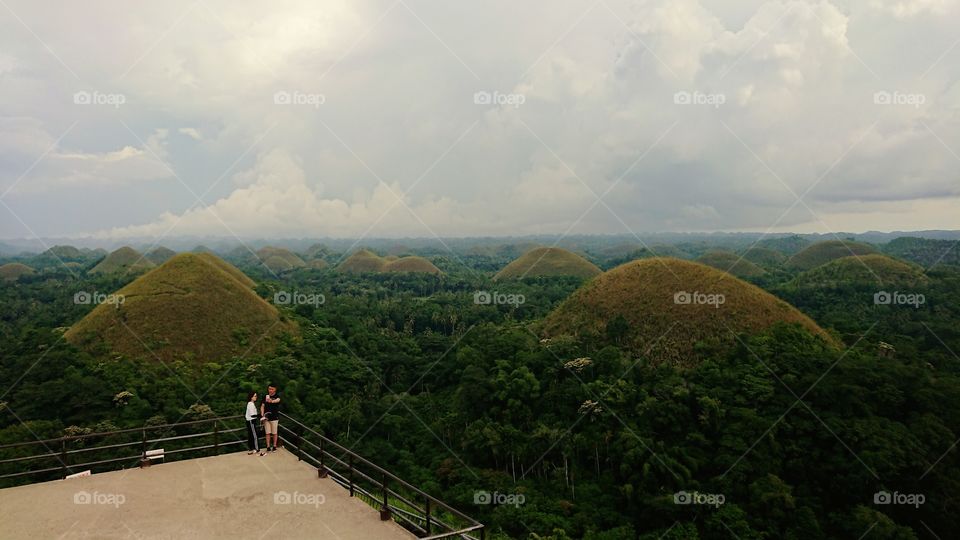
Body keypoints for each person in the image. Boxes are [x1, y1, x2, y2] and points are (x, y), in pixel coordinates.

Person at [260, 384, 281, 452]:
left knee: (274, 433)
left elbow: (278, 400)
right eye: (269, 389)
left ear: (275, 389)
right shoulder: (265, 396)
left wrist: (271, 401)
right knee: (267, 433)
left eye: (272, 389)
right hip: (266, 418)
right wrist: (263, 415)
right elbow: (262, 406)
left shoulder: (277, 396)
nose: (270, 390)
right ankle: (268, 446)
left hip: (274, 417)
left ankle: (274, 446)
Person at [245, 391, 264, 456]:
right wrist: (260, 416)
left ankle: (251, 448)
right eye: (255, 396)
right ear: (251, 397)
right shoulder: (250, 404)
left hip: (251, 421)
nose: (256, 397)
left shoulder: (251, 403)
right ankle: (257, 448)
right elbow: (252, 415)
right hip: (251, 421)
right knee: (254, 435)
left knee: (251, 435)